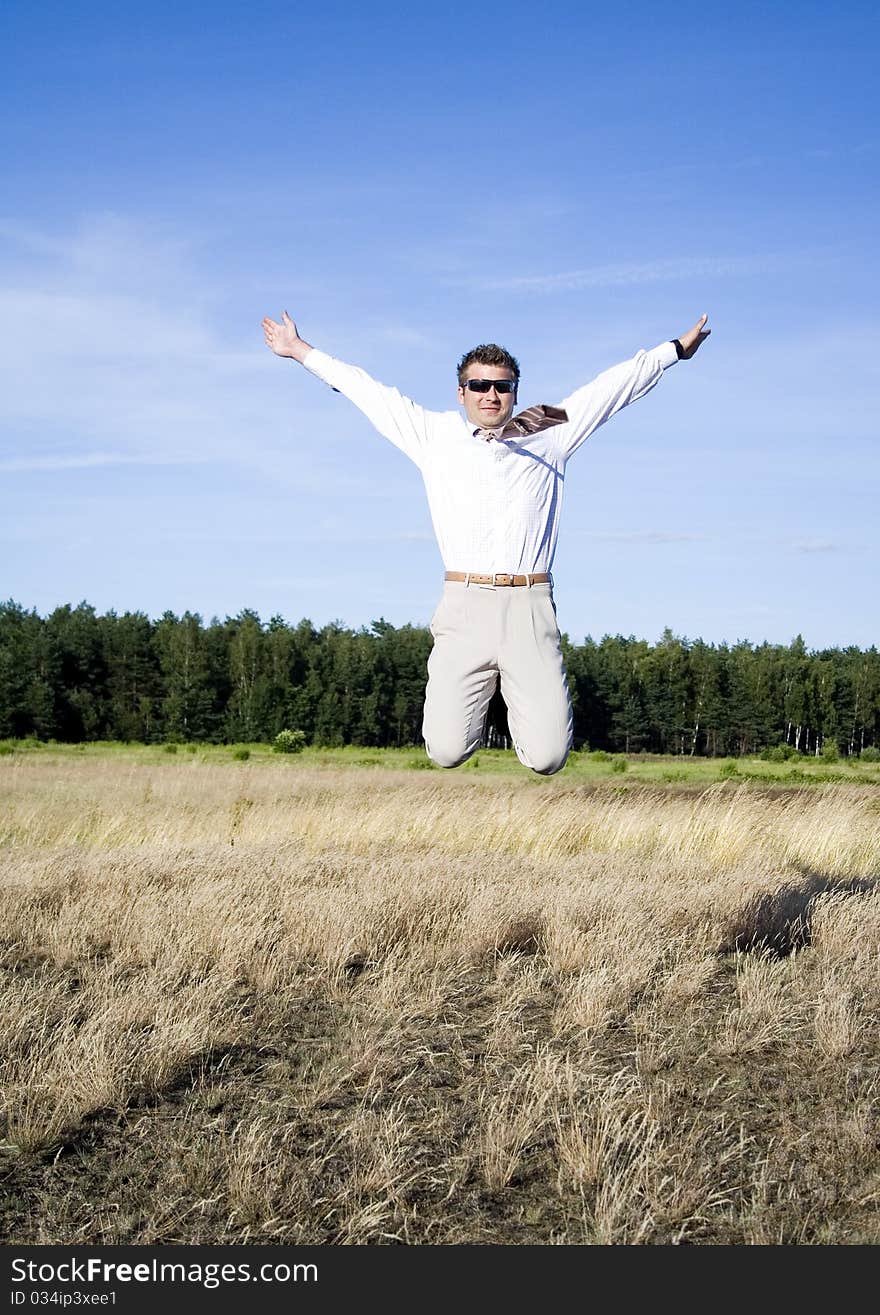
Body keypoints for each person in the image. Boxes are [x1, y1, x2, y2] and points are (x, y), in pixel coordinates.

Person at [262, 310, 710, 774]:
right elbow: (366, 390)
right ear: (462, 393)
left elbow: (612, 388)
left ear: (516, 390)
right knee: (446, 751)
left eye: (502, 385)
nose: (491, 395)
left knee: (549, 757)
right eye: (479, 386)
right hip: (464, 605)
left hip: (528, 606)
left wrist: (673, 351)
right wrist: (299, 350)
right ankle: (486, 696)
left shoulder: (548, 425)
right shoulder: (434, 434)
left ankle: (518, 697)